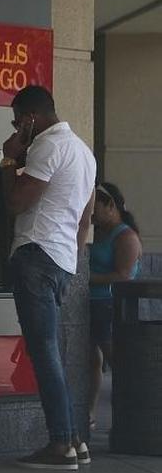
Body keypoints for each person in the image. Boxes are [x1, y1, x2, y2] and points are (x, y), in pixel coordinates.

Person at [1, 85, 95, 471]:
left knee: (44, 354)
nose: (17, 127)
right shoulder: (84, 153)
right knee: (53, 353)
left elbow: (15, 202)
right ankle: (75, 439)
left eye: (17, 120)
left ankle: (60, 445)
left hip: (36, 256)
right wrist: (69, 264)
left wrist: (9, 160)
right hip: (60, 259)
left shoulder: (48, 146)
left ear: (29, 118)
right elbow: (84, 221)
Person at [87, 181, 142, 430]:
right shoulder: (97, 232)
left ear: (110, 205)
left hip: (109, 304)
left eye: (94, 207)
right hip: (89, 304)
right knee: (90, 361)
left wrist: (84, 280)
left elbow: (123, 275)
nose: (90, 214)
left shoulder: (125, 236)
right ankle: (88, 413)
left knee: (117, 360)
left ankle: (132, 414)